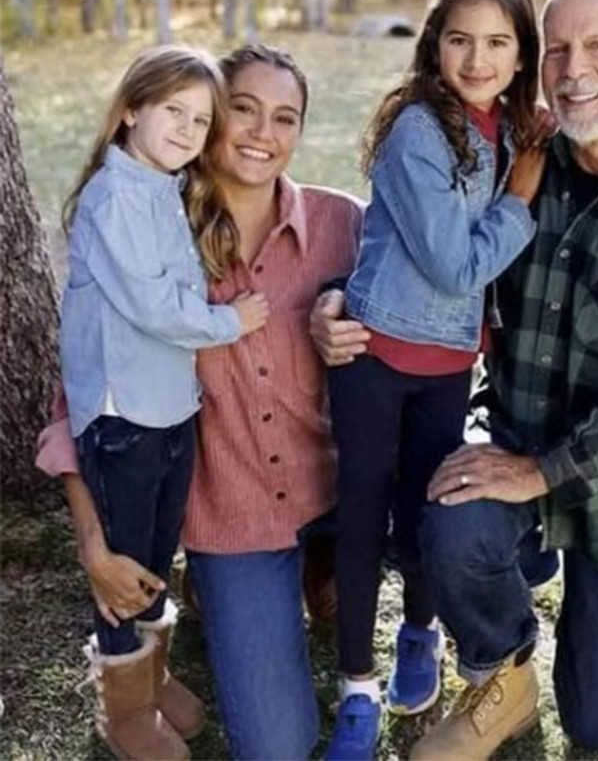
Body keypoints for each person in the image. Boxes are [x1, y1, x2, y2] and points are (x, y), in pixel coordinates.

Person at [312, 0, 598, 759]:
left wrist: (545, 472)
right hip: (512, 437)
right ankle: (500, 669)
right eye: (558, 48)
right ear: (537, 64)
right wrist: (333, 301)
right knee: (448, 513)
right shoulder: (519, 164)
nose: (574, 67)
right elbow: (411, 246)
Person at [37, 43, 363, 759]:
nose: (261, 133)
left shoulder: (343, 223)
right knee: (276, 747)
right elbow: (79, 395)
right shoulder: (150, 229)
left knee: (356, 599)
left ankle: (319, 570)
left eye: (286, 118)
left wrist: (339, 305)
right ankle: (210, 604)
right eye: (242, 109)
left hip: (329, 492)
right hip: (234, 517)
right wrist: (94, 543)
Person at [322, 0, 546, 760]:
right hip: (377, 354)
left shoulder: (514, 129)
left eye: (497, 42)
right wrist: (519, 198)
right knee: (362, 515)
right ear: (434, 46)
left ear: (523, 54)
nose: (477, 60)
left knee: (428, 505)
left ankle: (420, 632)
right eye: (460, 40)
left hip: (449, 361)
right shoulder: (420, 127)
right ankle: (356, 684)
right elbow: (455, 266)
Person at [58, 44, 269, 760]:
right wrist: (230, 323)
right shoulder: (115, 197)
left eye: (199, 119)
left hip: (170, 408)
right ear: (128, 114)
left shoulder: (161, 187)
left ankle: (150, 676)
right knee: (123, 560)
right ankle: (123, 707)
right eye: (171, 111)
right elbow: (155, 307)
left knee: (155, 549)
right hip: (124, 419)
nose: (187, 129)